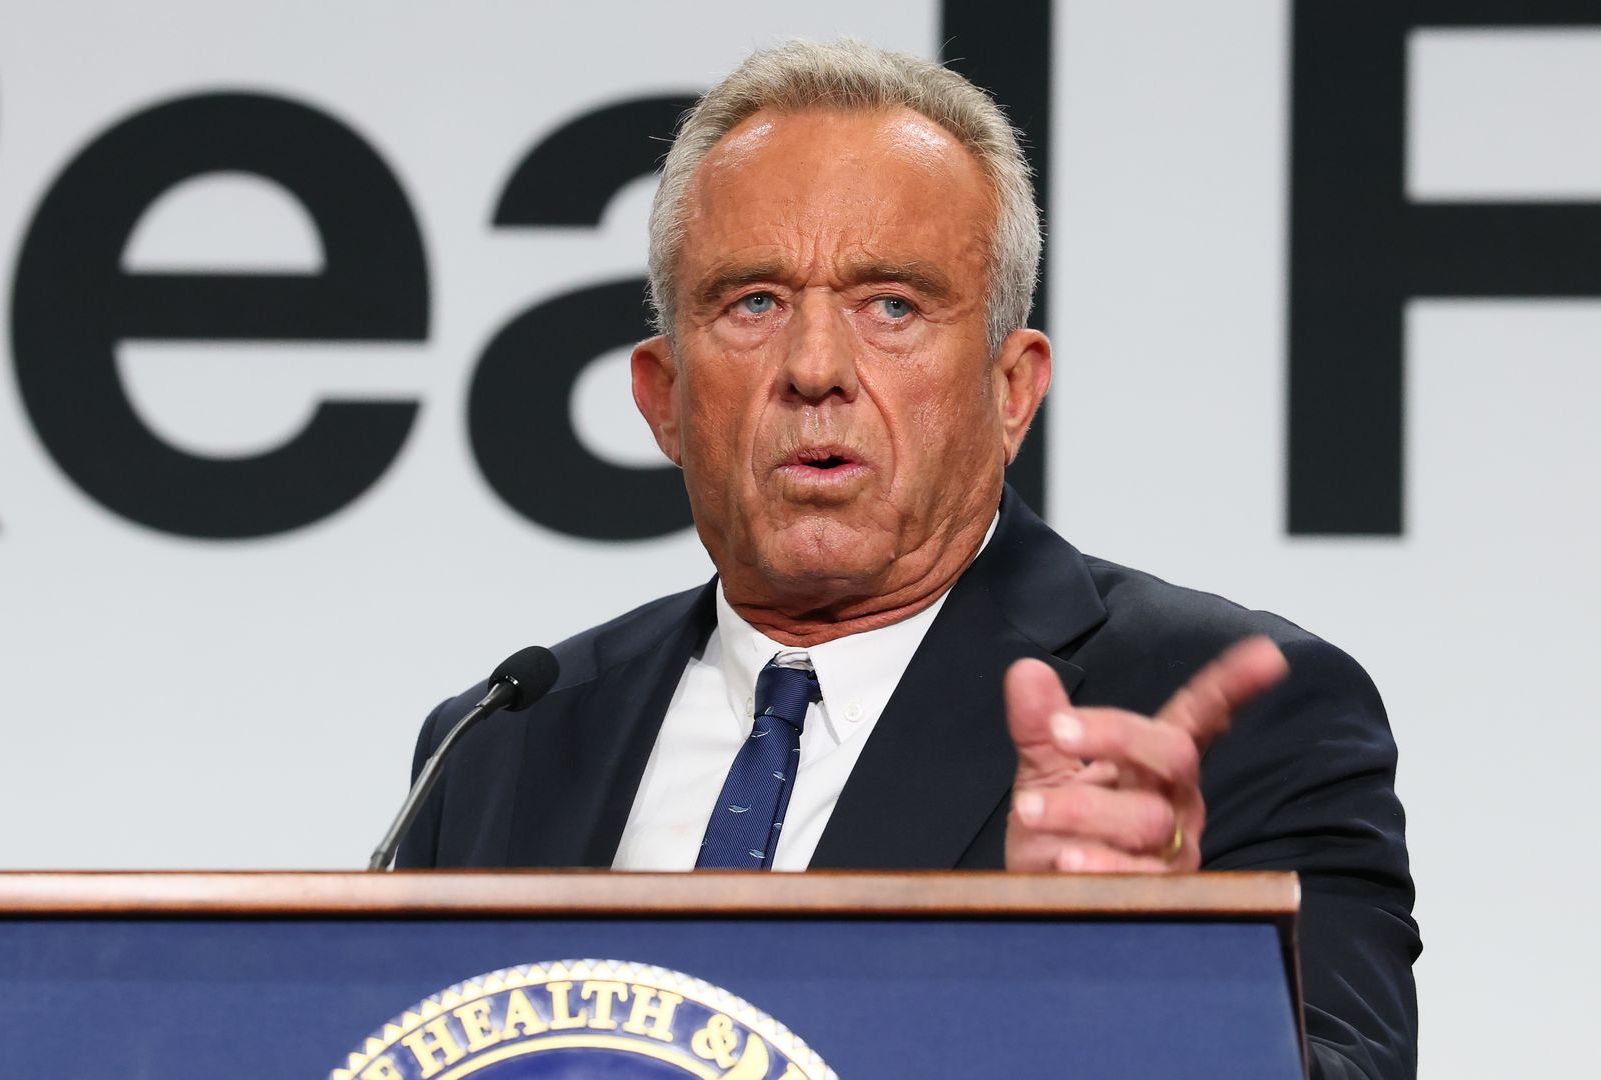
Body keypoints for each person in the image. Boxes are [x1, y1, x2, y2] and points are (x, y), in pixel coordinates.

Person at [397, 39, 1416, 1080]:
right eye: (754, 302)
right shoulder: (501, 743)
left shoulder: (1222, 721)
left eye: (892, 305)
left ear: (1011, 390)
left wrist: (1149, 968)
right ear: (662, 396)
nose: (815, 369)